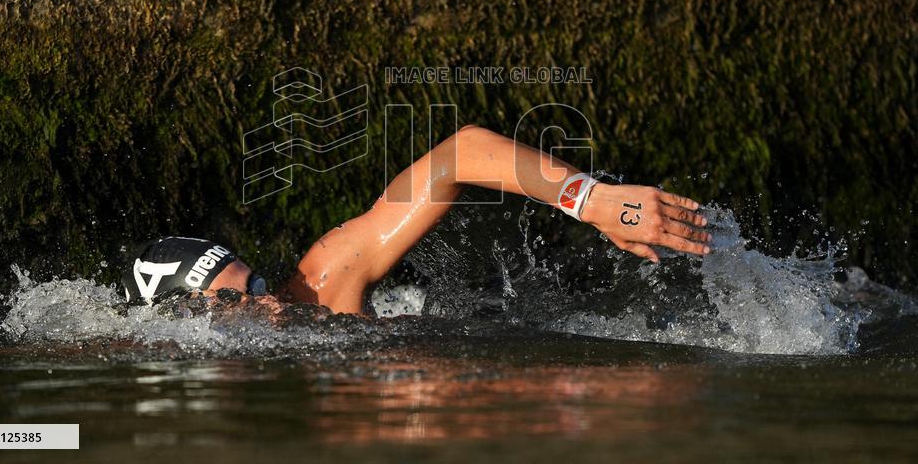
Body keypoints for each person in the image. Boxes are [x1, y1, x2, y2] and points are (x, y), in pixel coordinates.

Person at [121, 125, 710, 314]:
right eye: (233, 303)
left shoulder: (321, 284)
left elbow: (459, 154)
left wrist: (591, 200)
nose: (268, 303)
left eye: (253, 284)